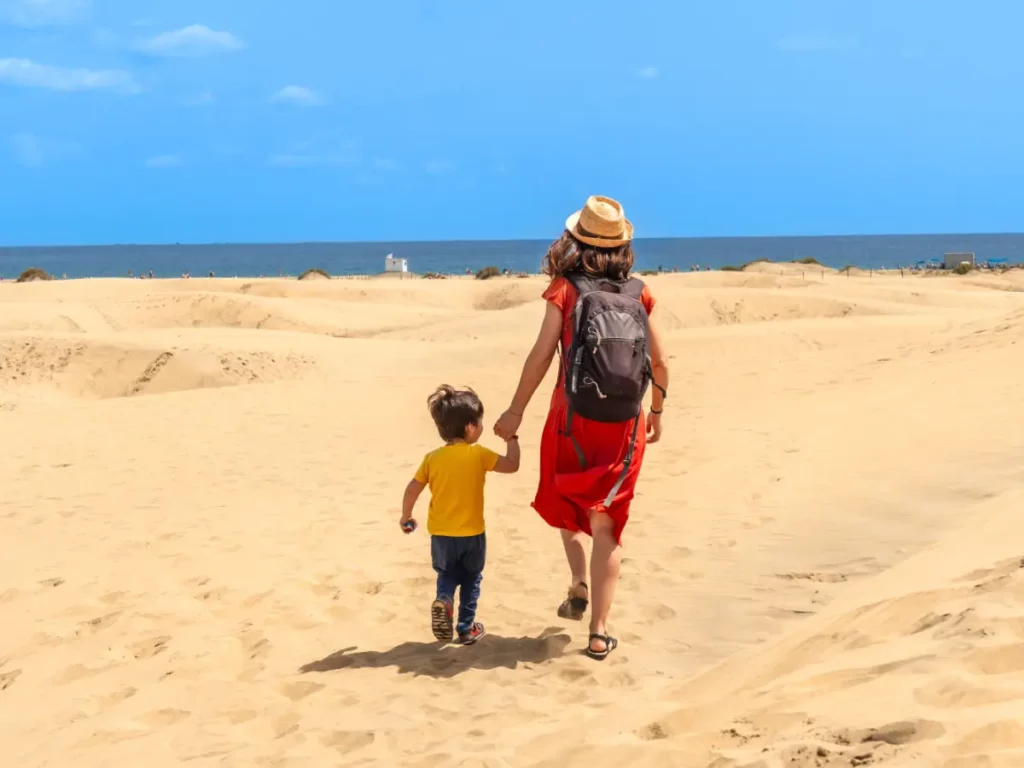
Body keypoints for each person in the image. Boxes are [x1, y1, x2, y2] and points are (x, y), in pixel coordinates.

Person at [493, 195, 670, 660]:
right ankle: (599, 632)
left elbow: (540, 355)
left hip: (569, 419)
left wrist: (514, 412)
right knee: (607, 525)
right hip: (625, 427)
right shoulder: (639, 293)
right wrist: (656, 412)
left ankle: (577, 581)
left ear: (575, 239)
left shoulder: (564, 289)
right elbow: (661, 363)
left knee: (568, 498)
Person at [401, 385, 521, 645]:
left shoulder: (432, 458)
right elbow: (512, 466)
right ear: (469, 428)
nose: (480, 428)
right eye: (479, 424)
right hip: (472, 533)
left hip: (441, 534)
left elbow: (412, 488)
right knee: (471, 578)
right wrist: (511, 439)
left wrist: (406, 516)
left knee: (446, 574)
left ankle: (444, 600)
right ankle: (466, 628)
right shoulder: (478, 455)